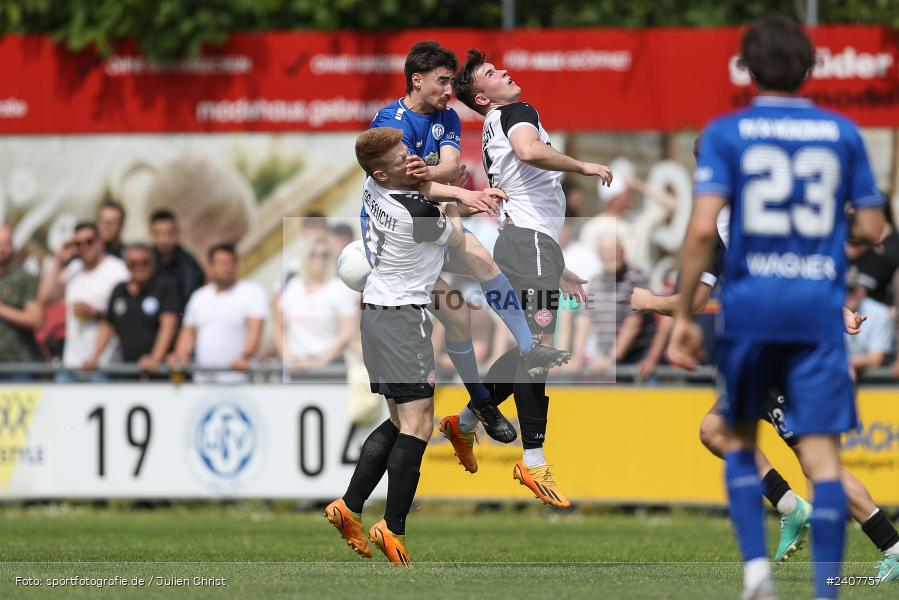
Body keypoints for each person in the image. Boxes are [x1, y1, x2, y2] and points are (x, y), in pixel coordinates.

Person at [667, 15, 888, 599]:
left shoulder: (726, 133)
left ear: (746, 68)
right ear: (810, 68)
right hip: (815, 312)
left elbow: (700, 233)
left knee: (737, 438)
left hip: (752, 312)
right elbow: (872, 226)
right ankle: (826, 590)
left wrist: (684, 318)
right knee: (823, 459)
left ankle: (757, 575)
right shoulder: (841, 131)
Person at [634, 204, 899, 583]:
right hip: (763, 354)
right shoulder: (751, 216)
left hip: (778, 357)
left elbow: (694, 302)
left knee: (818, 466)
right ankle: (791, 506)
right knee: (714, 430)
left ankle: (891, 546)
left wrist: (648, 302)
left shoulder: (724, 224)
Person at [368, 41, 572, 451]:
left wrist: (438, 180)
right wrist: (457, 191)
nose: (448, 91)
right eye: (442, 82)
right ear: (417, 80)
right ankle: (516, 425)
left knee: (462, 313)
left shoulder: (446, 117)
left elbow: (447, 168)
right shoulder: (390, 121)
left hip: (432, 217)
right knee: (406, 421)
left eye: (451, 82)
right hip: (398, 238)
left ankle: (479, 404)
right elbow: (409, 181)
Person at [324, 127, 499, 565]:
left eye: (408, 150)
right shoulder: (415, 212)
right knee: (418, 427)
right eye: (402, 158)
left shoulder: (372, 187)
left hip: (375, 314)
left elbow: (424, 193)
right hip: (404, 320)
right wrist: (456, 195)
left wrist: (453, 192)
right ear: (382, 173)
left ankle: (349, 506)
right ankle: (393, 526)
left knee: (400, 421)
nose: (413, 159)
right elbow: (454, 236)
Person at [449, 48, 612, 507]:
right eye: (490, 73)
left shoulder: (492, 122)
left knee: (531, 348)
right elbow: (529, 151)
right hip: (528, 243)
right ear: (484, 97)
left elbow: (522, 189)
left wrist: (554, 266)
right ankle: (533, 461)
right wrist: (582, 166)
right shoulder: (516, 111)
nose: (503, 71)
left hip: (526, 244)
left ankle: (465, 422)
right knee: (537, 350)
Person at [569, 233, 671, 381]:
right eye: (605, 250)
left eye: (614, 249)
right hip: (609, 360)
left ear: (622, 251)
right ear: (599, 254)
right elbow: (585, 320)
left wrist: (610, 359)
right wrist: (577, 357)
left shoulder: (636, 278)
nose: (610, 254)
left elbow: (633, 324)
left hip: (637, 361)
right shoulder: (596, 281)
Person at [38, 222, 129, 377]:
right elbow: (44, 298)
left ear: (100, 241)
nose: (84, 247)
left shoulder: (118, 270)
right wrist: (58, 260)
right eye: (78, 243)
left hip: (104, 366)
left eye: (89, 241)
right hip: (71, 365)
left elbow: (128, 313)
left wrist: (95, 313)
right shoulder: (75, 268)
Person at [169, 243, 267, 383]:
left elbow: (255, 330)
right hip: (203, 380)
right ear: (210, 267)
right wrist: (180, 355)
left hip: (238, 379)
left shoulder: (251, 292)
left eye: (230, 262)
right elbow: (188, 333)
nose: (226, 268)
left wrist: (245, 356)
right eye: (221, 263)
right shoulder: (199, 297)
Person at [83, 244, 179, 377]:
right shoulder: (119, 290)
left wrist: (155, 359)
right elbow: (108, 324)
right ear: (126, 266)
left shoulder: (163, 287)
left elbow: (168, 325)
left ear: (153, 264)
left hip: (158, 373)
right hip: (127, 370)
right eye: (133, 263)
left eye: (144, 262)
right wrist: (95, 357)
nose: (139, 267)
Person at [275, 237, 359, 374]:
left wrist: (319, 361)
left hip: (331, 367)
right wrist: (287, 359)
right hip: (296, 366)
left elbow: (347, 333)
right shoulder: (294, 286)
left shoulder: (341, 288)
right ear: (306, 257)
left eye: (324, 255)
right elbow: (279, 326)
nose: (319, 259)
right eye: (313, 254)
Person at [0, 224, 43, 369]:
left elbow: (36, 320)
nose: (2, 249)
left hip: (19, 362)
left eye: (6, 243)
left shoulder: (25, 278)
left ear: (13, 247)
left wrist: (2, 310)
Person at [149, 209, 205, 313]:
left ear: (177, 233)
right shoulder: (145, 264)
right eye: (158, 234)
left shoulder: (190, 266)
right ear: (152, 235)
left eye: (169, 233)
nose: (164, 239)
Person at [844, 267, 895, 378]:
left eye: (851, 289)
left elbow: (875, 359)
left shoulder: (880, 313)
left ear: (862, 290)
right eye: (843, 290)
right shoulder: (830, 311)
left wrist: (843, 363)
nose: (847, 294)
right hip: (839, 373)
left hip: (875, 379)